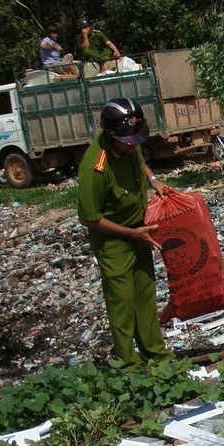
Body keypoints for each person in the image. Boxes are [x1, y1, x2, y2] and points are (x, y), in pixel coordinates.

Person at [78, 98, 173, 367]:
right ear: (110, 136)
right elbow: (89, 218)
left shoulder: (130, 141)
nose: (132, 145)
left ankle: (155, 354)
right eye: (126, 141)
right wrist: (131, 234)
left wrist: (153, 180)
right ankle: (127, 362)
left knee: (145, 294)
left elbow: (139, 158)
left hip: (140, 229)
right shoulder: (95, 167)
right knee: (122, 301)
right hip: (114, 240)